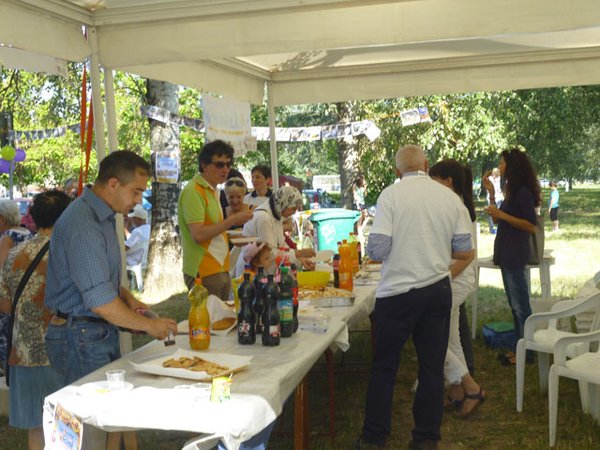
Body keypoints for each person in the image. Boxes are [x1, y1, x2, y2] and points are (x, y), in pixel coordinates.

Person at [357, 145, 473, 450]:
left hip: (397, 292)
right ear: (426, 164)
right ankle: (426, 438)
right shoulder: (449, 197)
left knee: (385, 367)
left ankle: (374, 438)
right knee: (431, 369)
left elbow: (378, 249)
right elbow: (464, 249)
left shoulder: (390, 195)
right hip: (436, 289)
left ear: (397, 171)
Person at [44, 150, 178, 387]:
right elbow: (101, 302)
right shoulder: (83, 223)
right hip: (80, 334)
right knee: (93, 408)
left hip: (90, 332)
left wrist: (127, 298)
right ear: (113, 184)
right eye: (135, 191)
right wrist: (149, 326)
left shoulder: (102, 217)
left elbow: (97, 280)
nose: (139, 200)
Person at [0, 190, 71, 450]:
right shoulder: (69, 252)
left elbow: (4, 304)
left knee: (36, 426)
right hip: (61, 349)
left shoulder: (15, 253)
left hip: (23, 351)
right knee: (66, 425)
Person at [429, 160, 484, 419]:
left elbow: (464, 253)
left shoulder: (456, 207)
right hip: (453, 277)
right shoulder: (456, 204)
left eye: (434, 180)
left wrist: (443, 277)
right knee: (451, 339)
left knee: (431, 335)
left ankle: (471, 387)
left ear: (448, 181)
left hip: (455, 278)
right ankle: (459, 388)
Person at [483, 147, 540, 366]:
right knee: (514, 304)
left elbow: (530, 225)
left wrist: (502, 214)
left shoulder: (523, 192)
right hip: (506, 253)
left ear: (512, 166)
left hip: (515, 254)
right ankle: (521, 348)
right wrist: (491, 194)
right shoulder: (512, 191)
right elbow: (498, 220)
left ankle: (528, 353)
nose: (499, 165)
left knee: (521, 305)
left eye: (502, 162)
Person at [177, 140, 253, 297]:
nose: (225, 169)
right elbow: (198, 235)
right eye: (219, 164)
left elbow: (214, 230)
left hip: (219, 268)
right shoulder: (194, 191)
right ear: (204, 165)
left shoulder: (212, 190)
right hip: (204, 271)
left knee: (224, 312)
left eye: (228, 164)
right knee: (210, 314)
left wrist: (232, 237)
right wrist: (232, 220)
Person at [242, 186, 315, 272]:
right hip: (251, 272)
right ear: (284, 204)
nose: (294, 212)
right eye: (293, 209)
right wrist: (299, 253)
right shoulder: (264, 218)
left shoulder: (276, 214)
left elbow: (281, 245)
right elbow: (270, 253)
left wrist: (300, 259)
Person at [0, 199, 32, 371]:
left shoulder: (7, 237)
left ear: (2, 219)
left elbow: (2, 271)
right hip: (26, 296)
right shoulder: (27, 233)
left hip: (9, 299)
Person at [486, 168, 503, 234]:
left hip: (498, 198)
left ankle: (499, 228)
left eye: (496, 172)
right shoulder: (489, 179)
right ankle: (491, 228)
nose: (494, 173)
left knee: (499, 214)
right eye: (494, 172)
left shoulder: (500, 179)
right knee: (491, 213)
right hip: (490, 198)